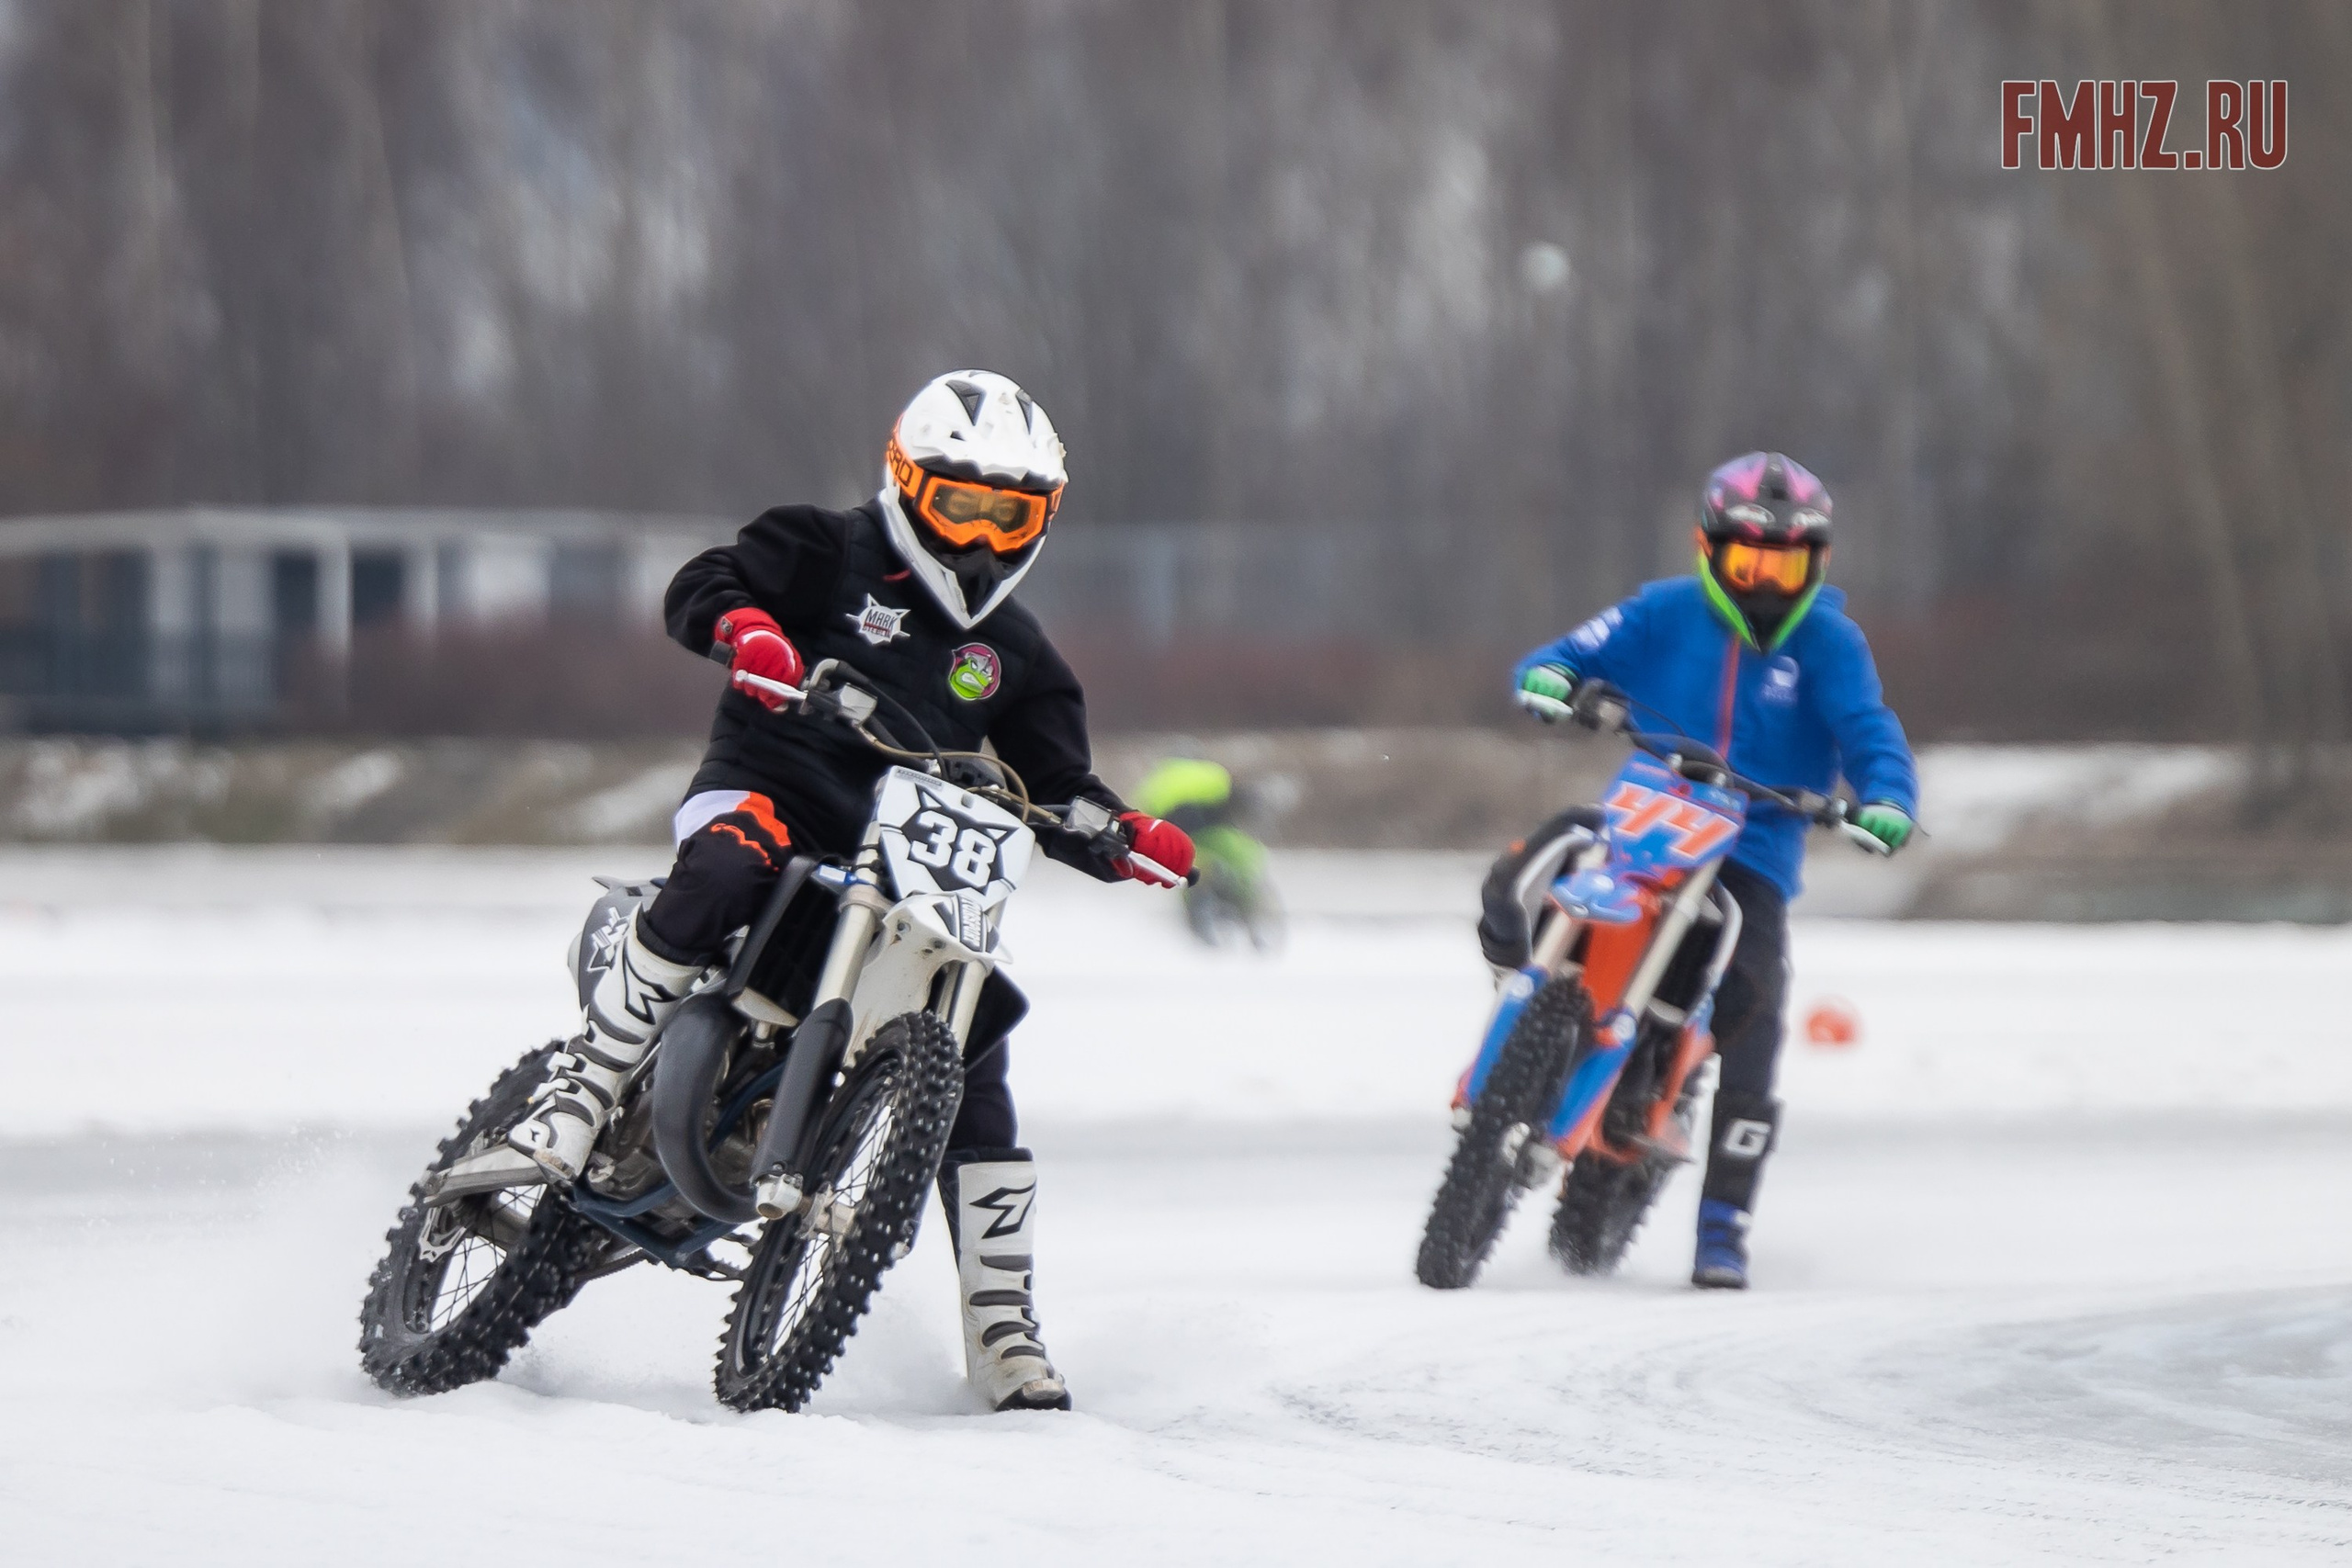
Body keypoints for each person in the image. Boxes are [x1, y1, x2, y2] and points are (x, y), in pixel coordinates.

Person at [506, 370, 1196, 1409]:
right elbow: (705, 581)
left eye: (1005, 515)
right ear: (907, 481)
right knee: (732, 857)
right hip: (767, 797)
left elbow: (1056, 785)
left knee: (979, 1037)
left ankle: (1002, 1327)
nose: (977, 537)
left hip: (902, 873)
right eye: (958, 505)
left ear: (1040, 518)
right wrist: (745, 630)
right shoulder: (825, 547)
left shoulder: (1016, 652)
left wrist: (1121, 832)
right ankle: (584, 1087)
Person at [1504, 451, 1917, 1290]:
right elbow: (1566, 654)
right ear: (1710, 546)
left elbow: (1871, 732)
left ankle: (1725, 1219)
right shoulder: (1662, 611)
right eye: (1749, 559)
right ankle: (1523, 1056)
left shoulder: (1832, 643)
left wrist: (1887, 799)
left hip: (1753, 850)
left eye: (1786, 562)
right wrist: (1550, 681)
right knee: (1535, 884)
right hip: (1643, 822)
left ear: (1817, 564)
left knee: (1755, 1004)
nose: (1766, 578)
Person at [1134, 755, 1283, 948]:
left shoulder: (1154, 782)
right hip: (1220, 836)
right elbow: (1237, 798)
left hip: (1182, 841)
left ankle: (1201, 926)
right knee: (1247, 870)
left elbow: (1142, 818)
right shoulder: (1212, 772)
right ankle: (1252, 913)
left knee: (1188, 877)